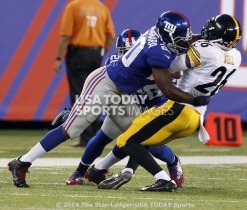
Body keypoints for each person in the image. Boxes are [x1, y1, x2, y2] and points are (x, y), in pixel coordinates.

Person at [8, 11, 210, 188]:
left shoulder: (159, 36)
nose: (182, 43)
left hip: (123, 92)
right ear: (166, 35)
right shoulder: (157, 50)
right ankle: (22, 162)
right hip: (106, 83)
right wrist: (195, 100)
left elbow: (182, 42)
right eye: (178, 39)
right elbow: (167, 90)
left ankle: (98, 170)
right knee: (73, 129)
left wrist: (205, 38)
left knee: (136, 134)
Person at [96, 14, 242, 192]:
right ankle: (106, 170)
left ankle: (163, 179)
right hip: (195, 118)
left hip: (178, 108)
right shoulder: (236, 56)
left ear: (217, 34)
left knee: (127, 140)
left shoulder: (204, 50)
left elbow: (172, 66)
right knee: (141, 139)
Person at [62, 29, 184, 188]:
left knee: (149, 143)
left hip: (153, 105)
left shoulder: (159, 62)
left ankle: (172, 162)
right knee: (102, 137)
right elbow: (102, 91)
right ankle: (81, 172)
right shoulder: (115, 63)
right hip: (127, 104)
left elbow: (171, 88)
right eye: (124, 53)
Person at [54, 0, 116, 147]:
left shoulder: (74, 6)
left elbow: (65, 35)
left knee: (79, 94)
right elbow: (111, 36)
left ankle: (86, 137)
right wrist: (101, 52)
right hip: (96, 53)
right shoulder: (102, 8)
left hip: (78, 53)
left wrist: (58, 57)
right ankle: (94, 135)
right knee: (94, 94)